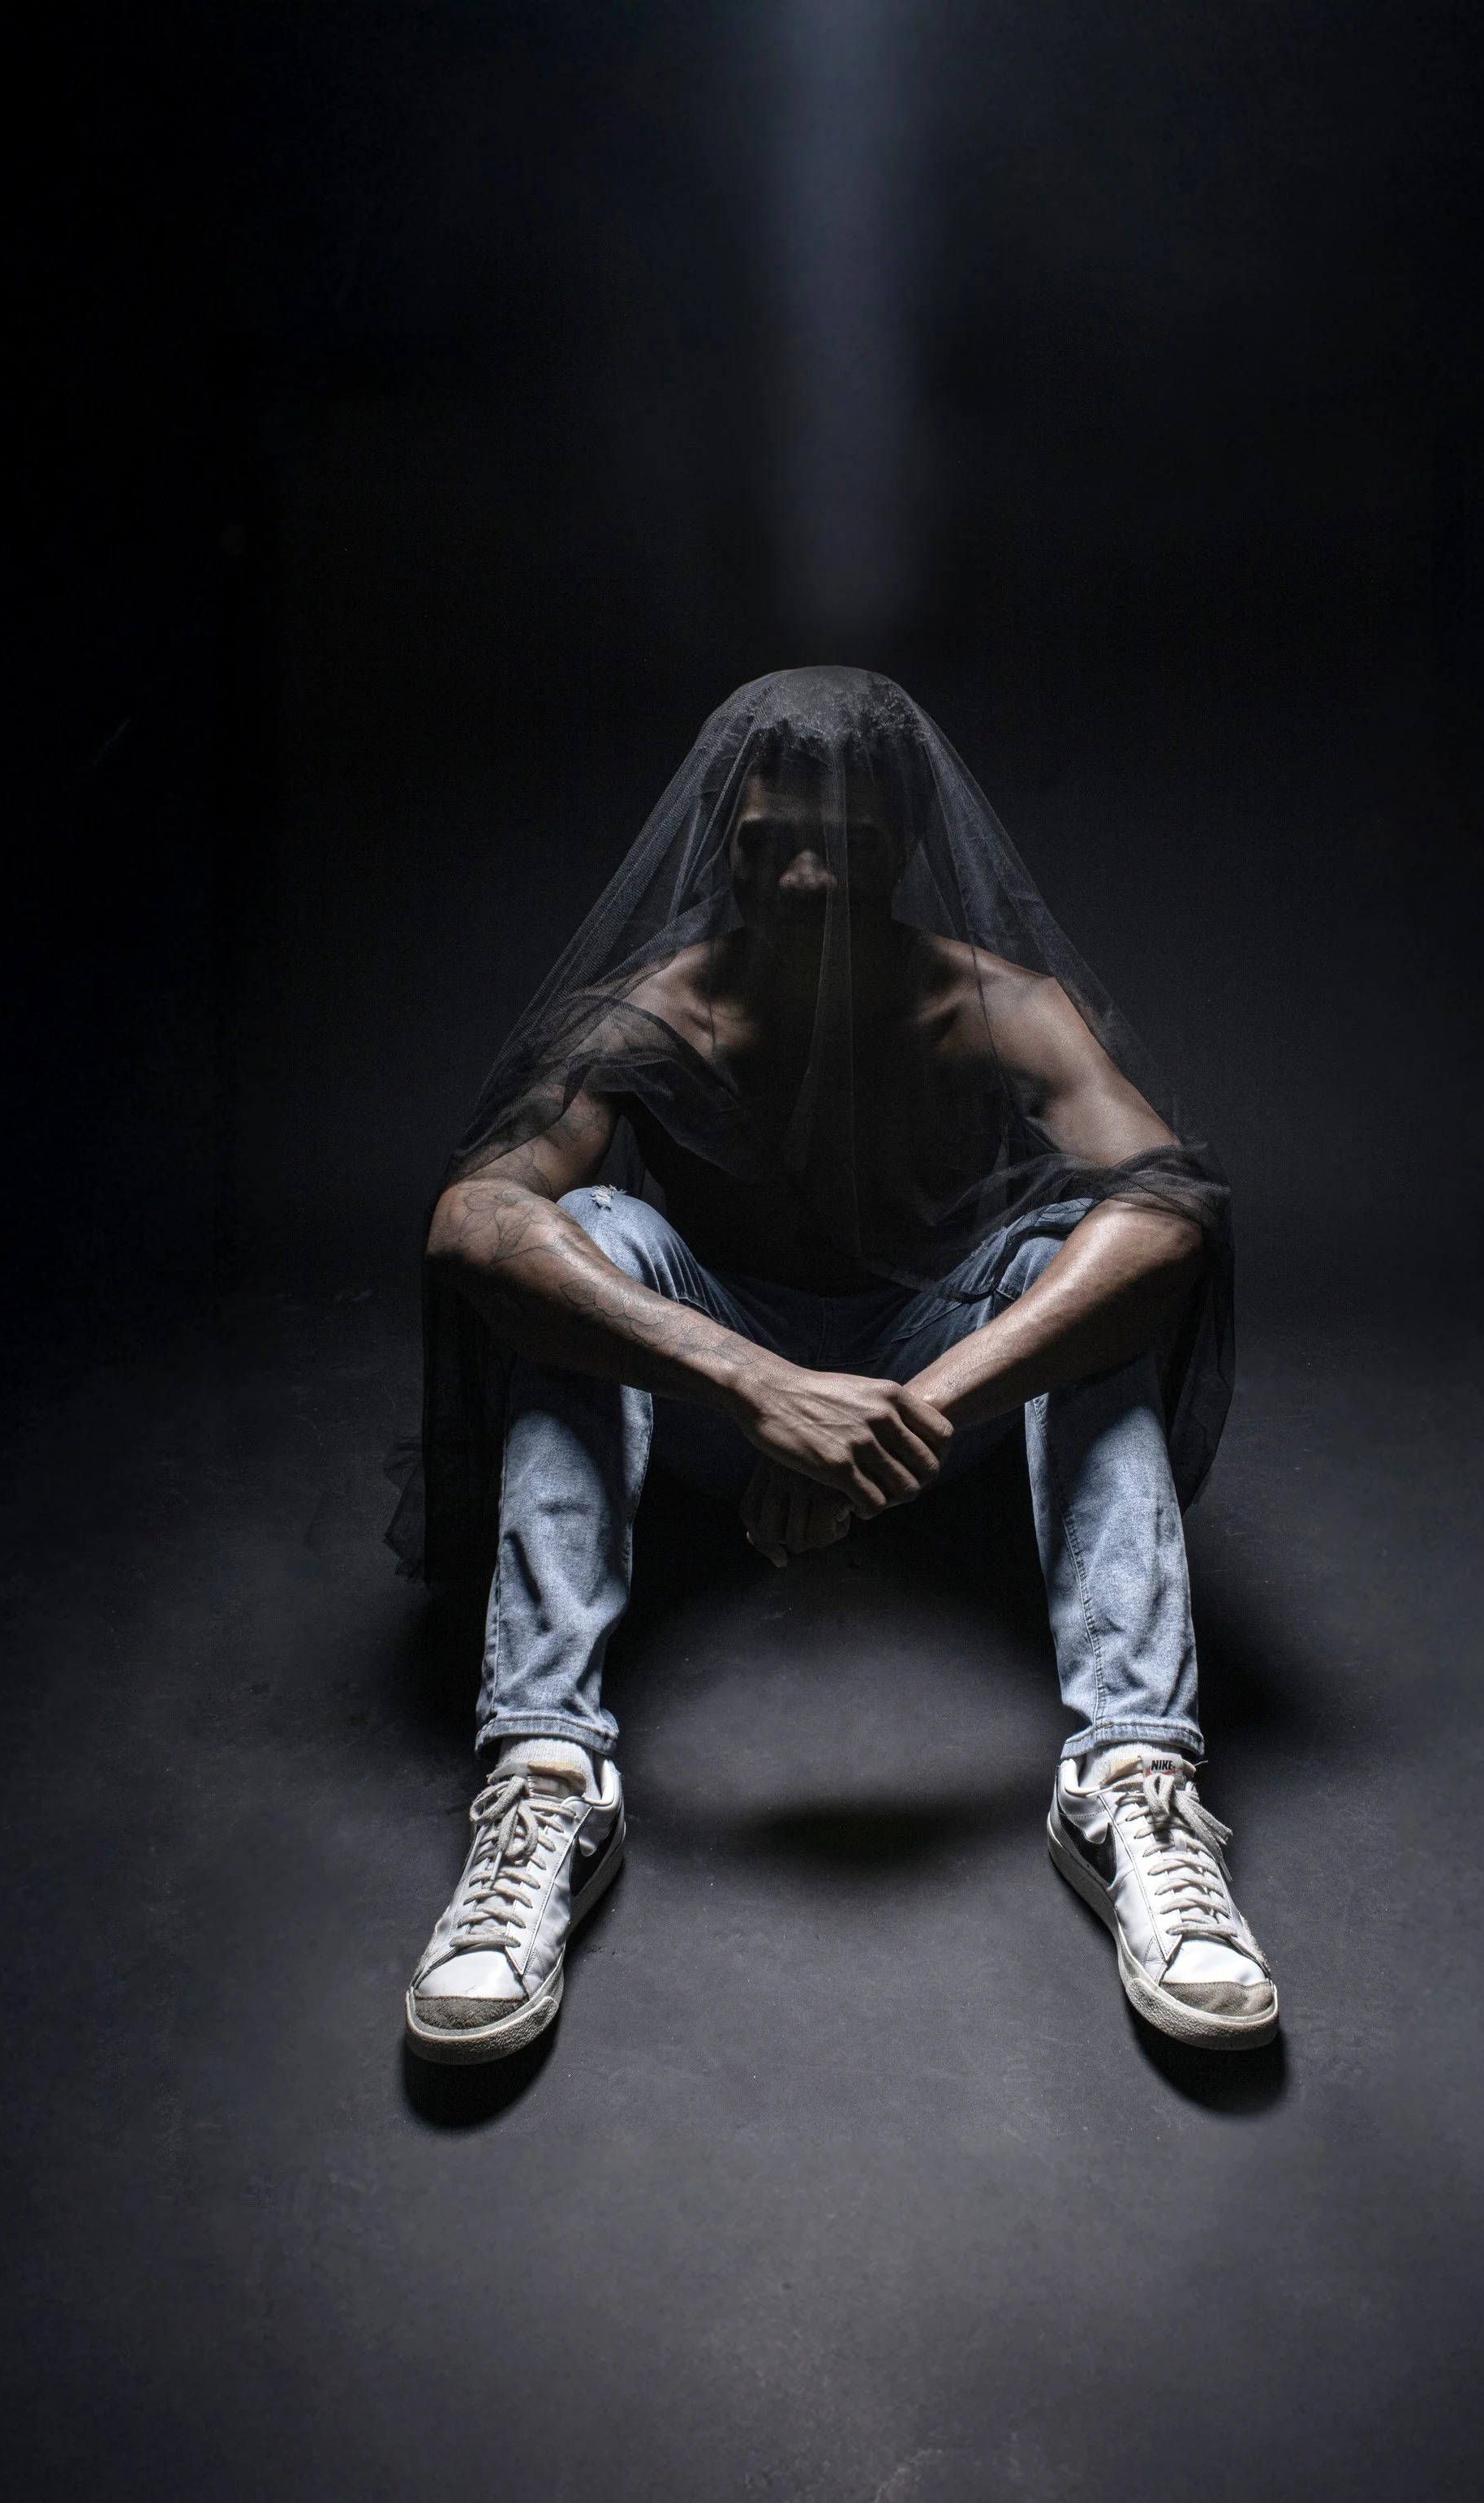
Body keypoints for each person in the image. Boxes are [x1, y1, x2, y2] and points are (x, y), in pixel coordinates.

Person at [390, 666, 1275, 2062]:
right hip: (711, 1400)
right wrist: (759, 1388)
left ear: (903, 844)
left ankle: (1134, 1778)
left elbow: (1171, 1212)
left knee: (1090, 1264)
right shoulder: (649, 1013)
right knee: (581, 1241)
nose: (804, 879)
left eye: (845, 846)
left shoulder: (998, 1006)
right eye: (769, 844)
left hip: (938, 1393)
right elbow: (472, 1221)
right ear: (723, 840)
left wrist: (906, 1412)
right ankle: (545, 1771)